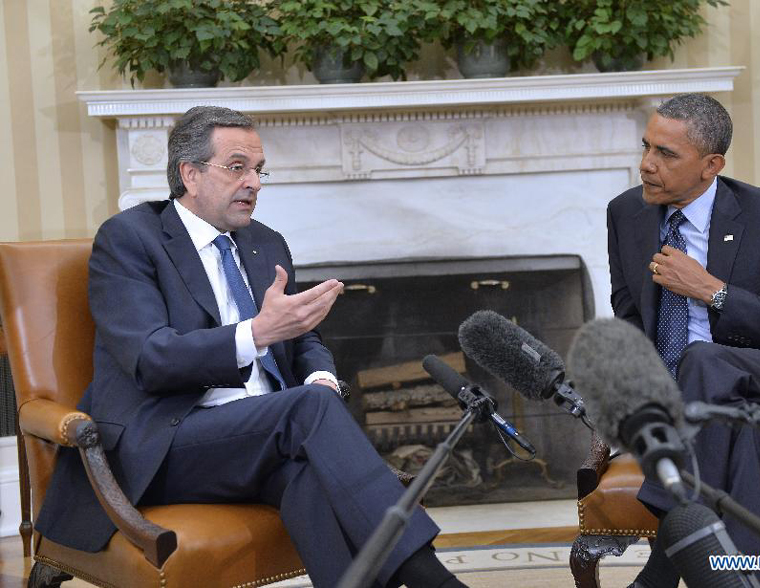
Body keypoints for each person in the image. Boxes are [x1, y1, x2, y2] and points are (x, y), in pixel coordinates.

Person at [36, 106, 466, 588]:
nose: (254, 183)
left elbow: (303, 338)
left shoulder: (266, 242)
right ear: (190, 174)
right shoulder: (130, 239)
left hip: (263, 438)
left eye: (259, 170)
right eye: (237, 167)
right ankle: (435, 580)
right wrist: (257, 334)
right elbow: (151, 359)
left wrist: (320, 376)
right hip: (166, 441)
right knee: (306, 412)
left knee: (310, 476)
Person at [606, 93, 760, 588]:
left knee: (706, 361)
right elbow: (630, 318)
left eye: (666, 154)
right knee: (737, 433)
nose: (646, 165)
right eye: (646, 147)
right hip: (707, 409)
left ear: (711, 165)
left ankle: (660, 567)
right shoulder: (626, 214)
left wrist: (713, 292)